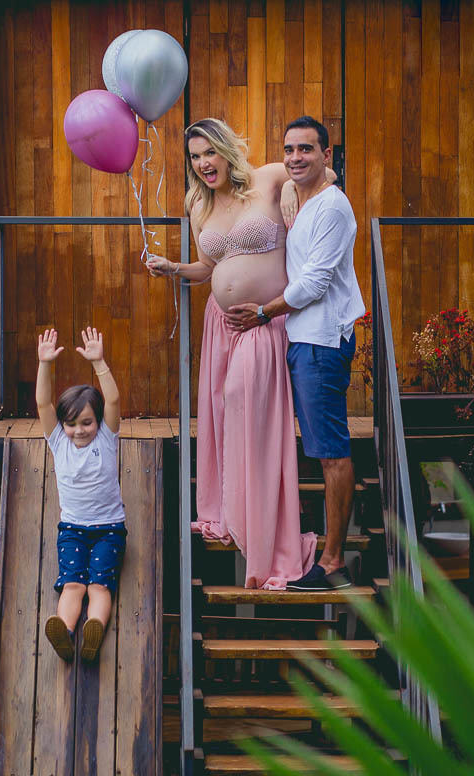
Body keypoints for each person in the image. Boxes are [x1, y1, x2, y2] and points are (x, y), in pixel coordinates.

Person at [145, 118, 318, 590]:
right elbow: (210, 267)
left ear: (226, 151)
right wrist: (174, 267)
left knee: (242, 401)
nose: (203, 164)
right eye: (195, 158)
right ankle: (228, 510)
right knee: (222, 414)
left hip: (262, 322)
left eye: (209, 153)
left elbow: (325, 177)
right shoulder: (198, 203)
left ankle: (261, 526)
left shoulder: (268, 177)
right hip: (221, 326)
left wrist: (288, 192)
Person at [224, 116, 365, 591]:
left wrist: (263, 313)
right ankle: (322, 554)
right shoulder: (302, 200)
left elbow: (313, 284)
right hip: (301, 337)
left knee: (331, 452)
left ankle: (331, 562)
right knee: (322, 449)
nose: (295, 157)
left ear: (328, 155)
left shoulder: (332, 208)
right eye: (289, 150)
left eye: (307, 149)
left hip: (321, 340)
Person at [36, 326, 126, 661]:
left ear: (98, 421)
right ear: (62, 425)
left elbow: (114, 399)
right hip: (72, 530)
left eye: (86, 422)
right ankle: (66, 631)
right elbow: (43, 402)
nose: (79, 430)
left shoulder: (106, 437)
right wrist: (45, 363)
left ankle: (94, 632)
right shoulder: (58, 441)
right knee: (73, 585)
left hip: (109, 530)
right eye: (72, 423)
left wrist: (99, 362)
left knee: (99, 587)